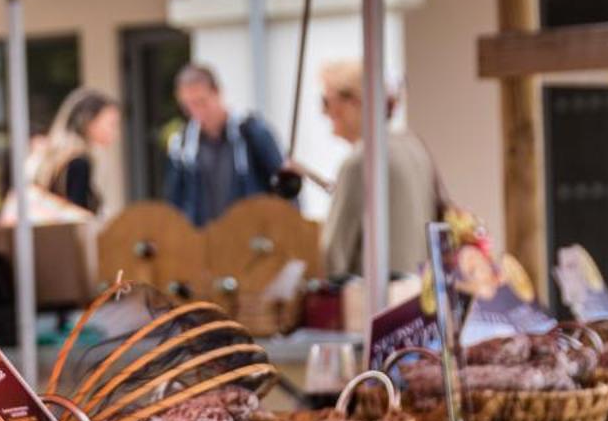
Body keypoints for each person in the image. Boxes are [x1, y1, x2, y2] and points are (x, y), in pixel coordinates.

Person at [316, 60, 444, 280]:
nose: (324, 113)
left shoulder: (360, 162)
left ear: (354, 102)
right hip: (418, 296)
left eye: (327, 101)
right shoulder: (413, 148)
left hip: (375, 300)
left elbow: (334, 254)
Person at [163, 64, 288, 227]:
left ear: (217, 93)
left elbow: (284, 187)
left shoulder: (251, 133)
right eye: (188, 105)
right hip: (203, 241)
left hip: (250, 239)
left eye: (201, 102)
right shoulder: (183, 146)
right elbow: (174, 201)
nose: (196, 111)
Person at [30, 89, 120, 215]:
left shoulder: (56, 155)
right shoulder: (79, 161)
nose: (115, 132)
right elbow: (79, 214)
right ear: (89, 122)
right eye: (111, 124)